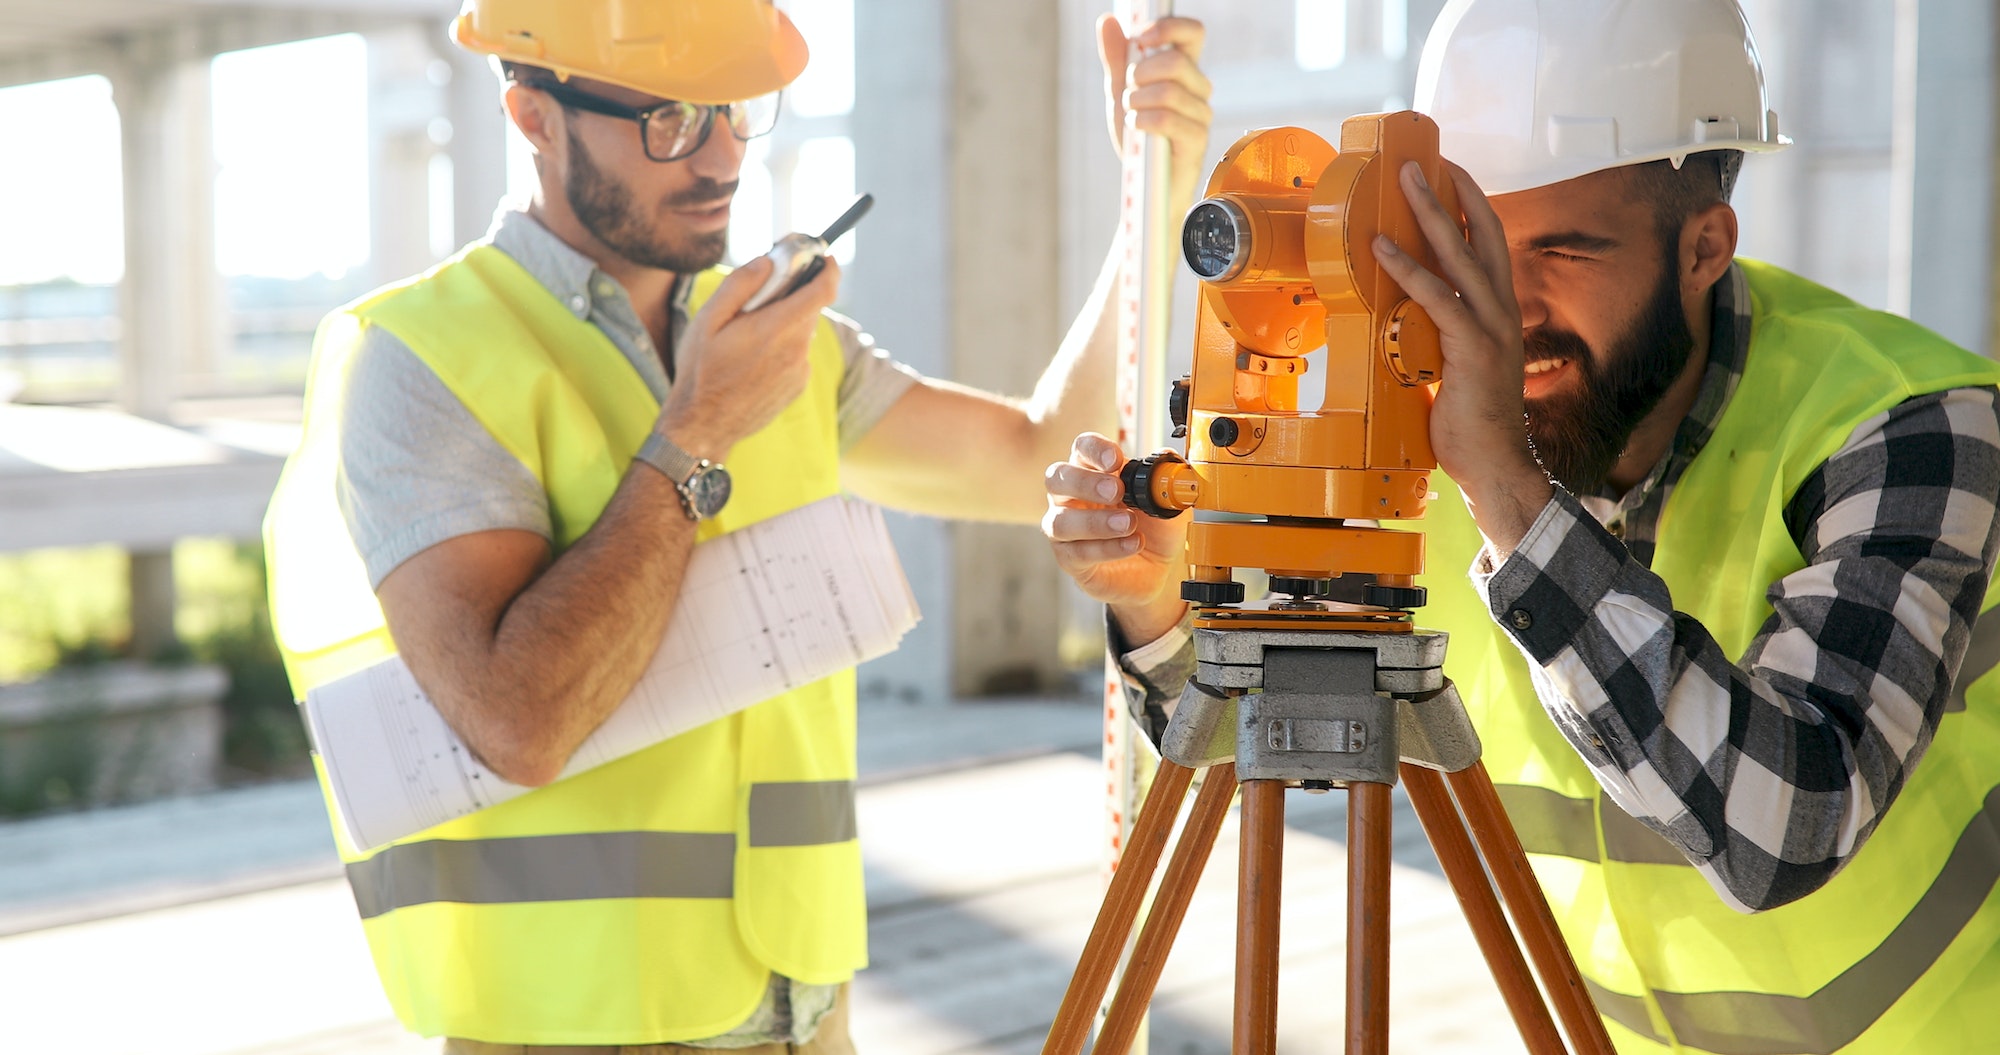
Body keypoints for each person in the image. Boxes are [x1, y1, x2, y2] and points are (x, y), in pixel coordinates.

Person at [1043, 1, 2000, 1051]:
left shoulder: (1908, 424)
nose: (1508, 301)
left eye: (1563, 249)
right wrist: (1151, 602)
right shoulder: (1416, 434)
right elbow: (1251, 735)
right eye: (1476, 242)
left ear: (1702, 247)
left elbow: (1784, 827)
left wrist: (1503, 482)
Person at [261, 1, 1213, 1050]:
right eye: (669, 119)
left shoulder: (774, 338)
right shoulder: (425, 357)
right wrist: (696, 430)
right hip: (573, 1027)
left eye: (731, 110)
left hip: (802, 1008)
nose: (718, 157)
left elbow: (1032, 457)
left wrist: (1149, 191)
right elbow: (516, 719)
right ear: (533, 114)